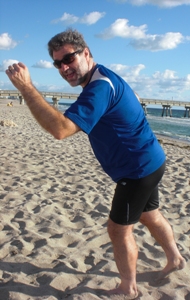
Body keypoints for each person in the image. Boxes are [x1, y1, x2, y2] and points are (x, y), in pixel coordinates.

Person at [5, 28, 185, 299]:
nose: (64, 67)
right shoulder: (103, 78)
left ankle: (129, 288)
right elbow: (132, 100)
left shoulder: (99, 88)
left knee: (118, 229)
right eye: (58, 63)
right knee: (150, 214)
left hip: (136, 170)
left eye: (69, 59)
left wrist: (27, 88)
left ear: (86, 53)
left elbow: (61, 129)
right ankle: (176, 260)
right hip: (151, 159)